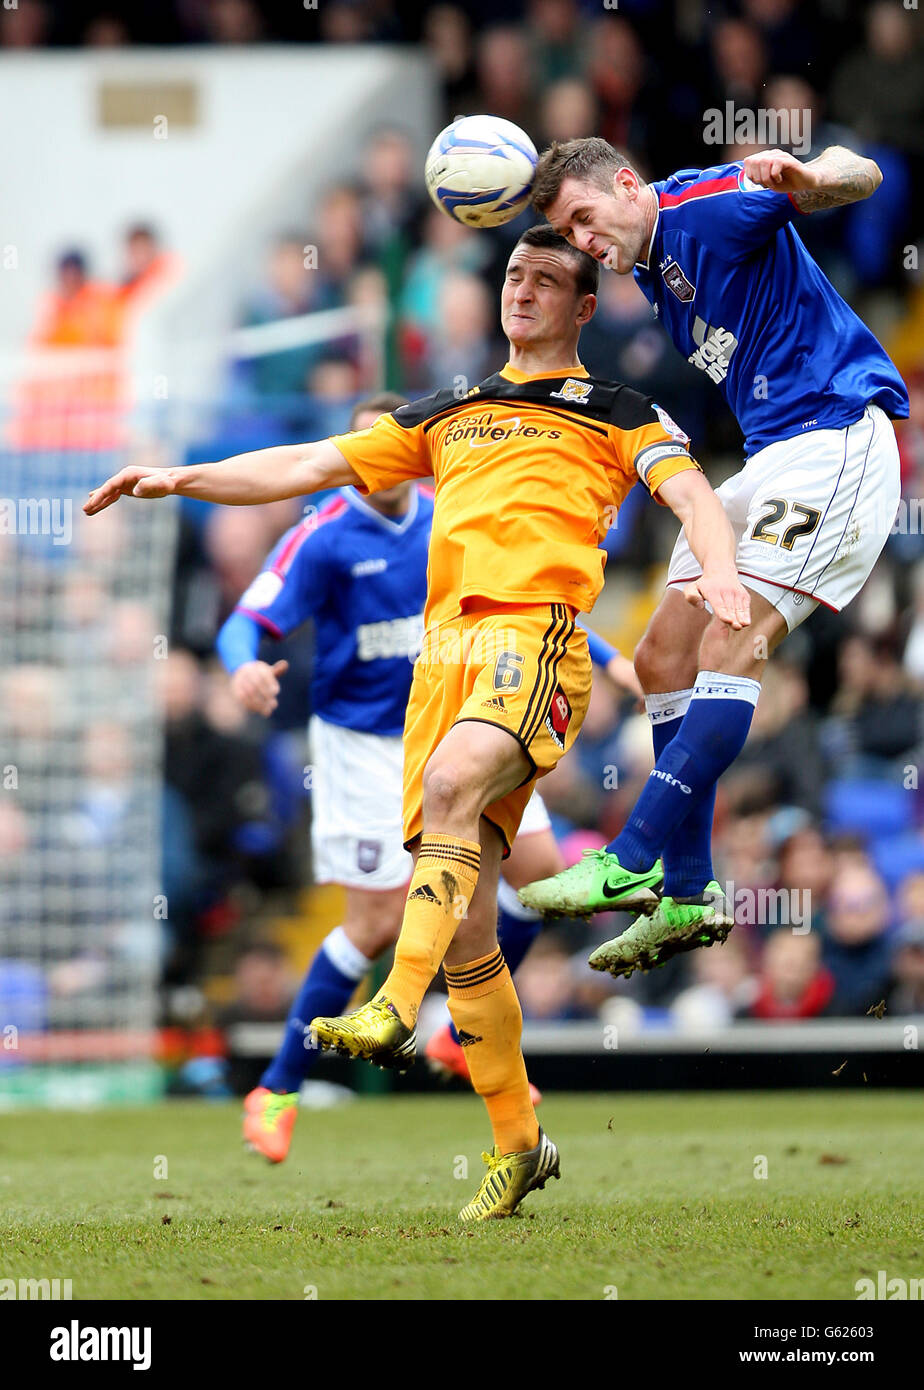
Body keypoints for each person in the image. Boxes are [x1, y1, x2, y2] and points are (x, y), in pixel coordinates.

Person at [84, 226, 748, 1219]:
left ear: (583, 307)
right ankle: (520, 1143)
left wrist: (723, 565)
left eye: (547, 279)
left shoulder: (618, 409)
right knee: (473, 933)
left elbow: (689, 489)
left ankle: (398, 1000)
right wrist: (182, 478)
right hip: (442, 668)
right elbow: (309, 462)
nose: (522, 289)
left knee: (448, 797)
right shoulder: (450, 408)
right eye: (513, 275)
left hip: (532, 641)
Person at [521, 137, 909, 980]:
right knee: (661, 658)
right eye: (566, 232)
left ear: (627, 185)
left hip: (838, 438)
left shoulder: (710, 208)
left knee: (729, 641)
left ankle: (633, 851)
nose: (584, 242)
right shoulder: (653, 260)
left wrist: (810, 178)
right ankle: (691, 895)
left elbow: (859, 174)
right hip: (773, 457)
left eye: (585, 218)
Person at [221, 392, 643, 1162]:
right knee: (376, 925)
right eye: (357, 454)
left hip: (465, 724)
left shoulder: (458, 515)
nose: (369, 468)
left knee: (540, 874)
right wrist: (244, 664)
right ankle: (277, 1088)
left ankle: (457, 1029)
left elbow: (539, 602)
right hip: (366, 747)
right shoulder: (324, 537)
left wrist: (616, 662)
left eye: (382, 450)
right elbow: (244, 620)